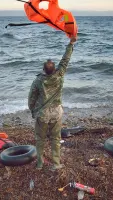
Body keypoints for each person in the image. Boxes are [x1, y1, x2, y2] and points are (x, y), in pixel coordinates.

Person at [28, 35, 76, 170]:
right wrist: (71, 43)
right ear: (54, 69)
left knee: (40, 139)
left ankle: (39, 164)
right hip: (56, 112)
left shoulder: (38, 81)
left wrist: (32, 110)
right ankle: (56, 164)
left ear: (43, 70)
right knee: (55, 139)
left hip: (42, 114)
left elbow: (31, 97)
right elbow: (65, 59)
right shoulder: (60, 74)